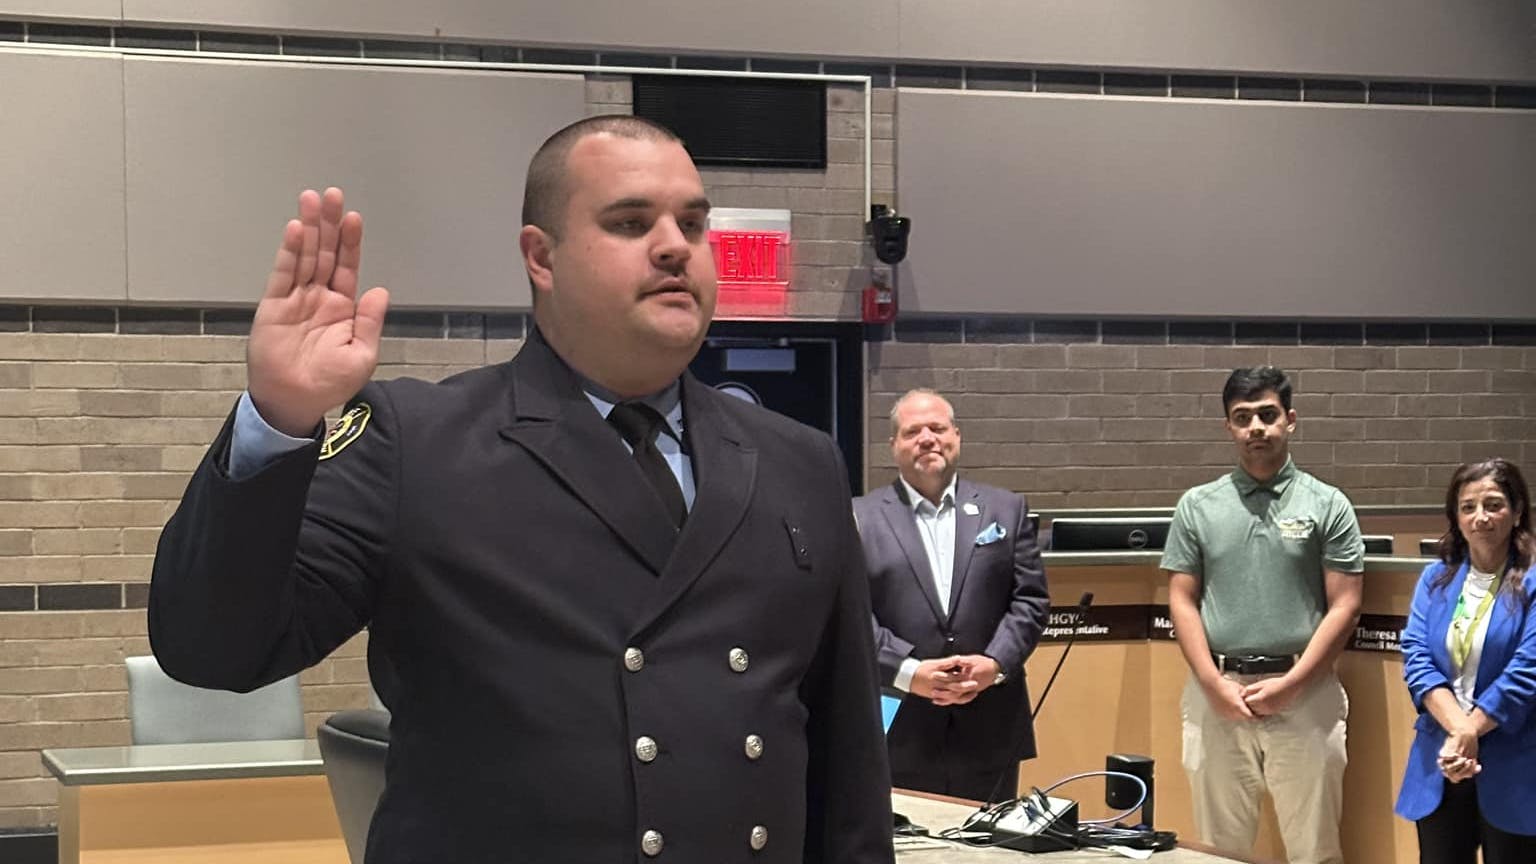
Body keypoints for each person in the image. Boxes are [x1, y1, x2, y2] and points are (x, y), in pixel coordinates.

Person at [148, 115, 894, 863]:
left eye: (693, 224)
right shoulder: (419, 442)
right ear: (541, 256)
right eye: (630, 222)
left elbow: (848, 768)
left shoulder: (798, 461)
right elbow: (215, 650)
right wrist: (279, 418)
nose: (675, 245)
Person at [1159, 366, 1364, 864]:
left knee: (1315, 851)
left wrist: (1292, 684)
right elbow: (1181, 599)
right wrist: (1213, 684)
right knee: (1218, 852)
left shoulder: (1328, 504)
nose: (1256, 427)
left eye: (1267, 415)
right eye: (1242, 417)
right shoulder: (1197, 506)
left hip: (1306, 695)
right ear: (1228, 427)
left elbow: (1346, 604)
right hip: (1216, 697)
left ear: (1290, 420)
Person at [852, 389, 1049, 802]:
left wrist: (995, 665)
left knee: (987, 838)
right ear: (894, 445)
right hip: (897, 722)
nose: (927, 438)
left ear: (956, 436)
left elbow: (1030, 601)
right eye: (913, 432)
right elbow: (850, 613)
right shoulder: (858, 517)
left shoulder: (1006, 509)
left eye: (937, 428)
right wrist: (908, 671)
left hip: (990, 724)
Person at [1396, 458, 1536, 863]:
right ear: (1455, 518)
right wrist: (1460, 731)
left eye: (1494, 505)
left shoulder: (1532, 581)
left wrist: (1468, 731)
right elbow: (1417, 658)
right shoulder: (1434, 578)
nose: (1481, 517)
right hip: (1441, 758)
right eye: (1468, 507)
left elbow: (1526, 672)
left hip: (1515, 763)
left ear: (1517, 511)